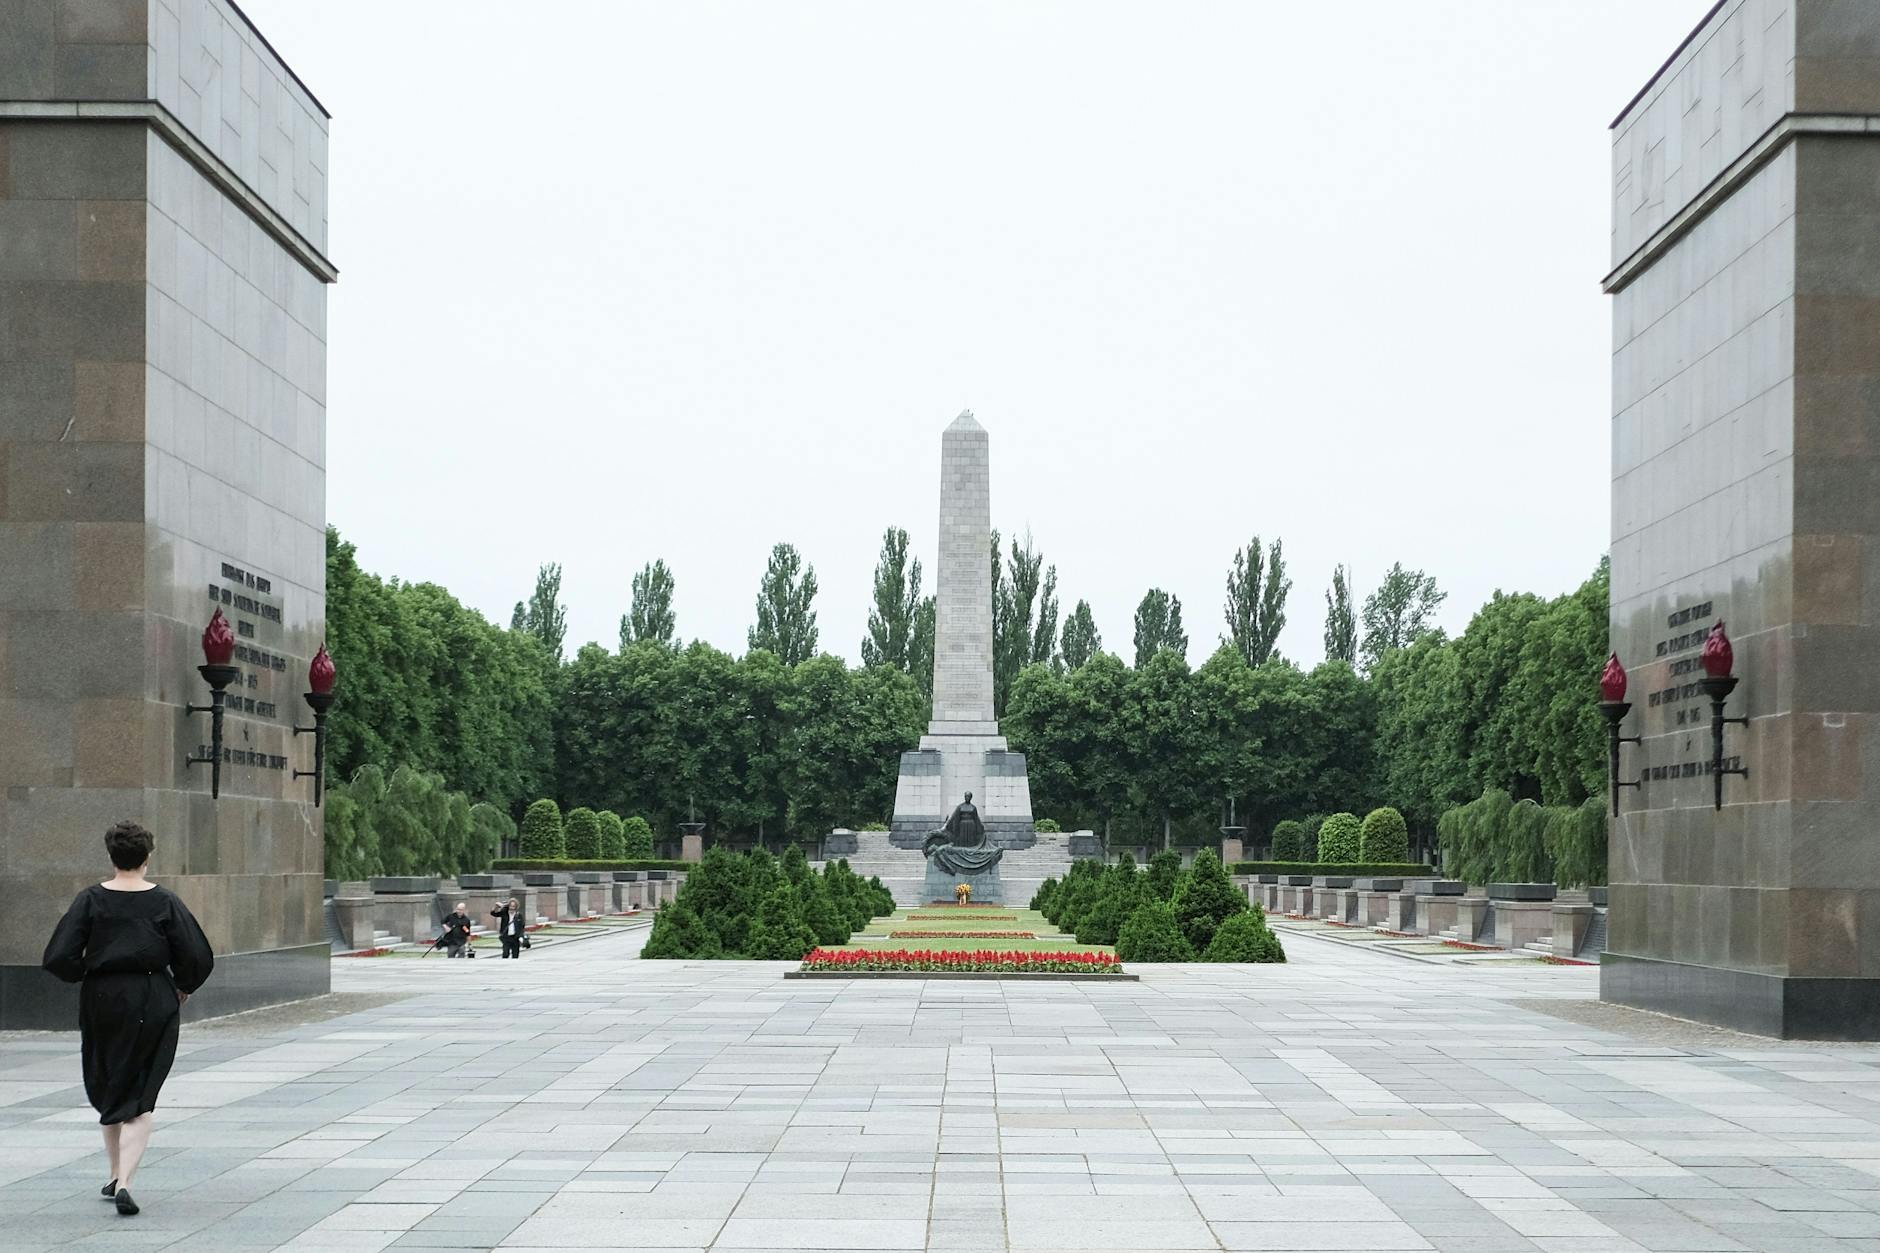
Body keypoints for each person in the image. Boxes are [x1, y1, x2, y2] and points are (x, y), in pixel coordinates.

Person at [42, 821, 215, 1218]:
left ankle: (114, 1173)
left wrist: (89, 973)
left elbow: (58, 956)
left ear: (111, 856)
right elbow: (196, 953)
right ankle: (124, 1182)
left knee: (110, 1080)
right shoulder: (165, 901)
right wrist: (183, 984)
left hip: (102, 995)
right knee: (141, 1088)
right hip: (152, 993)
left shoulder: (91, 900)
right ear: (147, 857)